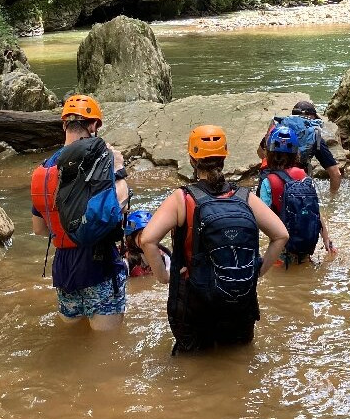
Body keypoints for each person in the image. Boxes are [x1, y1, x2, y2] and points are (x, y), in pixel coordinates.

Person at [140, 125, 289, 353]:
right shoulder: (244, 197)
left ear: (192, 159)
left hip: (194, 302)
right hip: (240, 301)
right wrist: (256, 271)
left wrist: (163, 276)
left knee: (191, 368)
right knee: (238, 361)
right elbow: (281, 235)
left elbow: (147, 240)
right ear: (224, 157)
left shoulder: (183, 199)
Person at [30, 94, 129, 331]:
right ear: (94, 125)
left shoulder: (43, 171)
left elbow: (39, 229)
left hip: (64, 269)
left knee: (72, 341)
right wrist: (119, 171)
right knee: (107, 351)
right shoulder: (103, 162)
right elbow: (117, 210)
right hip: (99, 264)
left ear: (64, 124)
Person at [258, 125, 334, 266]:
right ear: (296, 153)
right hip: (306, 240)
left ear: (269, 152)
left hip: (281, 247)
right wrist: (327, 240)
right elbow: (315, 212)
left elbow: (263, 220)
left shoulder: (268, 182)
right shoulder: (303, 175)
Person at [257, 100, 343, 195]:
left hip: (268, 180)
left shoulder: (278, 129)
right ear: (311, 117)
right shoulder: (313, 135)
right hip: (296, 184)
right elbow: (336, 174)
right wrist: (332, 198)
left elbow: (260, 152)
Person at [120, 210, 171, 278]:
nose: (148, 238)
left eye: (151, 234)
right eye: (142, 235)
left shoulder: (164, 255)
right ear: (131, 238)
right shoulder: (126, 261)